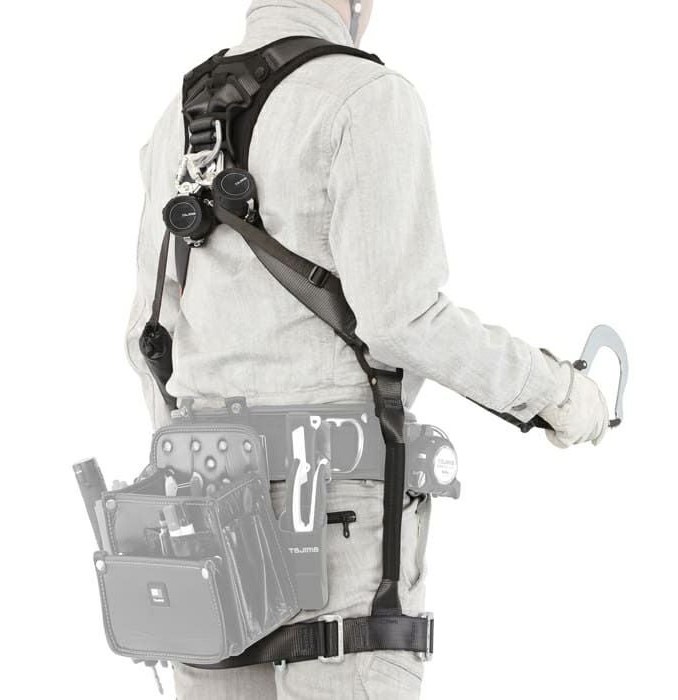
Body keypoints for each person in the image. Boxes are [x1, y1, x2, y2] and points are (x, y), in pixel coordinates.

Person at [126, 1, 609, 697]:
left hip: (200, 513)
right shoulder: (365, 97)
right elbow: (403, 320)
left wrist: (190, 458)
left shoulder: (175, 122)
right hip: (334, 519)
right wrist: (560, 395)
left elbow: (148, 336)